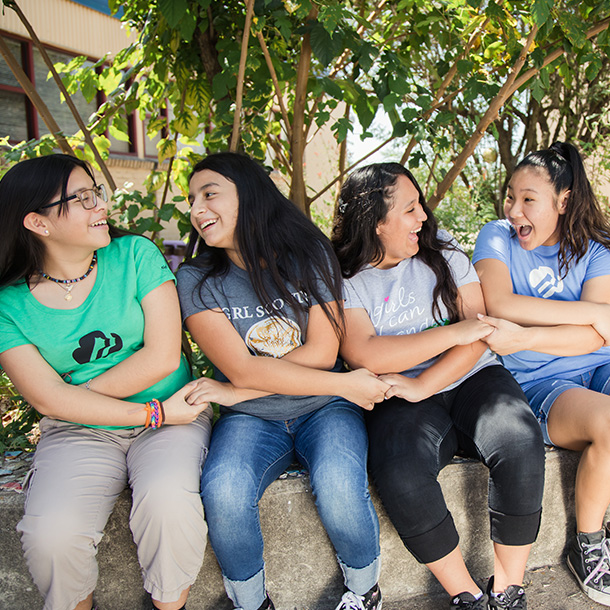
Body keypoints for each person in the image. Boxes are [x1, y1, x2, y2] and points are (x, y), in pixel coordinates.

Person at [176, 152, 388, 610]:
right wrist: (345, 385)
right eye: (192, 199)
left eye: (209, 194)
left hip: (323, 407)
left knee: (337, 480)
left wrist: (235, 391)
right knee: (225, 490)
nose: (196, 209)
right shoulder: (196, 278)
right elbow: (243, 368)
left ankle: (364, 589)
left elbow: (322, 353)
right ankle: (251, 603)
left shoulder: (309, 255)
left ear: (249, 196)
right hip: (256, 418)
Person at [0, 154, 213, 610]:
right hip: (88, 431)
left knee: (169, 506)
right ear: (37, 222)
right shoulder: (9, 305)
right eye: (81, 199)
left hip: (173, 416)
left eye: (95, 192)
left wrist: (73, 397)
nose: (101, 206)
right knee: (51, 535)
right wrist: (136, 412)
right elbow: (44, 400)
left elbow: (161, 357)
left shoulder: (135, 254)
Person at [331, 162, 546, 610]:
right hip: (398, 395)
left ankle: (508, 591)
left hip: (472, 377)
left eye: (419, 206)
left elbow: (479, 332)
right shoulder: (346, 281)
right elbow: (364, 353)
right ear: (375, 221)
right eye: (409, 210)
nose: (422, 218)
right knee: (399, 472)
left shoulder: (445, 255)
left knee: (520, 440)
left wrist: (426, 380)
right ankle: (466, 595)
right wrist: (450, 334)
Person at [473, 141, 610, 606]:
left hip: (600, 367)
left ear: (564, 201)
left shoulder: (596, 251)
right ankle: (588, 546)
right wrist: (589, 314)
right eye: (510, 195)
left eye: (527, 198)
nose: (513, 209)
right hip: (542, 382)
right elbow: (500, 305)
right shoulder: (496, 237)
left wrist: (527, 332)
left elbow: (600, 339)